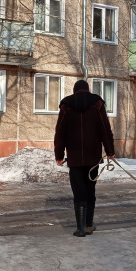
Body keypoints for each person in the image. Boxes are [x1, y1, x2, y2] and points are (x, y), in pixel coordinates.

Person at [54, 79, 115, 237]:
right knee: (90, 190)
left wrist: (59, 155)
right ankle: (88, 225)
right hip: (93, 158)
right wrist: (110, 151)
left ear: (75, 91)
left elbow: (60, 133)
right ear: (88, 90)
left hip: (74, 159)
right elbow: (105, 129)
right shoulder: (97, 104)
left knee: (79, 192)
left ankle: (80, 228)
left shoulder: (66, 106)